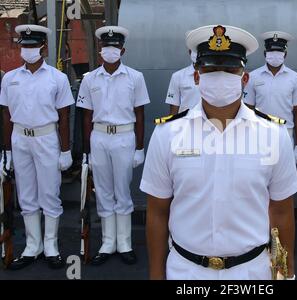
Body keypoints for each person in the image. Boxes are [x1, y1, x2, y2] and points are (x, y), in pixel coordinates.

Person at [141, 24, 297, 280]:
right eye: (211, 69)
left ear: (244, 78)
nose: (220, 76)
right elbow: (158, 212)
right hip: (186, 271)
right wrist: (156, 275)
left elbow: (281, 211)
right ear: (196, 77)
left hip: (252, 272)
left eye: (229, 69)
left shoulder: (273, 134)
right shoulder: (167, 134)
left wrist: (285, 273)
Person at [0, 24, 74, 269]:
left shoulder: (58, 78)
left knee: (50, 193)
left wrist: (65, 150)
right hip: (20, 138)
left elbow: (64, 116)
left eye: (32, 46)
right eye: (24, 46)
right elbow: (6, 115)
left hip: (46, 138)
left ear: (43, 47)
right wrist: (7, 152)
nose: (28, 50)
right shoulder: (10, 78)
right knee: (26, 195)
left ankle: (51, 244)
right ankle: (33, 245)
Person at [76, 26, 150, 265]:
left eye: (115, 47)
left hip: (124, 137)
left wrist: (140, 147)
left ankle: (125, 243)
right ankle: (108, 243)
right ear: (100, 50)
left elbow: (140, 114)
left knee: (122, 191)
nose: (110, 51)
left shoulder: (135, 77)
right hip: (99, 137)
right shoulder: (90, 79)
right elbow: (86, 116)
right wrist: (86, 151)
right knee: (103, 191)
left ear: (123, 50)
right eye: (106, 47)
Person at [244, 31, 297, 164]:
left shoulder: (295, 78)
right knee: (260, 178)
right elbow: (247, 110)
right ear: (265, 54)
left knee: (283, 181)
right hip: (260, 133)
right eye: (272, 52)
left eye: (279, 52)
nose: (275, 56)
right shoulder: (253, 77)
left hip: (285, 133)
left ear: (285, 54)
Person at [165, 32, 200, 115]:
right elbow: (174, 109)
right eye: (195, 50)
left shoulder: (214, 76)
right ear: (189, 52)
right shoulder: (178, 76)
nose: (198, 54)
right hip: (185, 125)